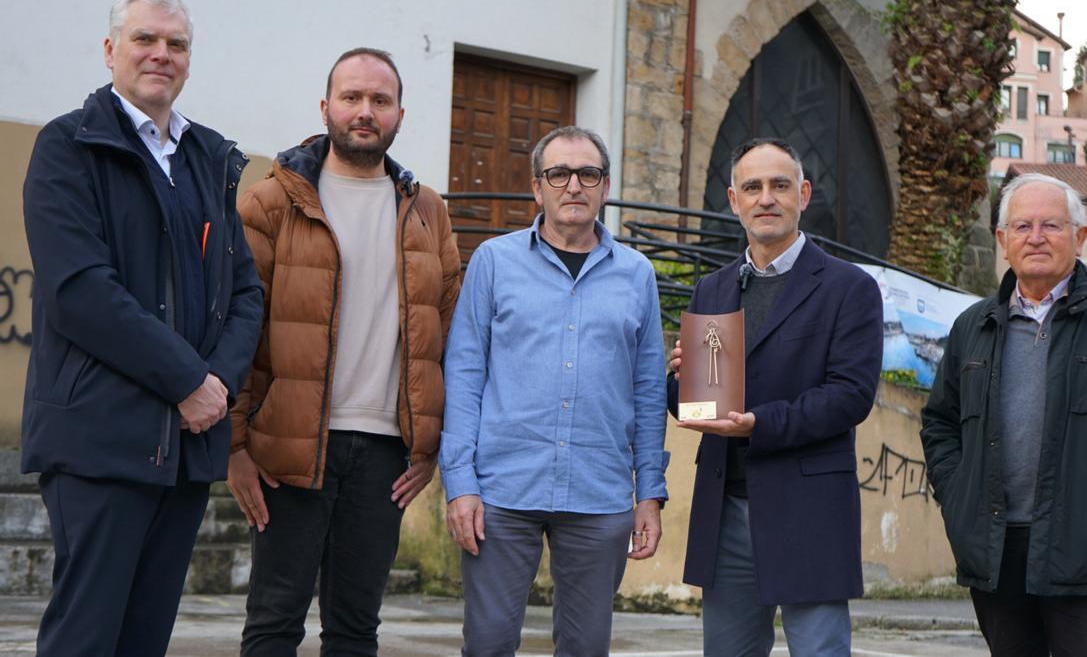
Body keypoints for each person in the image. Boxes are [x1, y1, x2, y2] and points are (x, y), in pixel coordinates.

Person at [20, 0, 263, 655]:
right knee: (86, 638)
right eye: (144, 40)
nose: (161, 54)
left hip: (184, 449)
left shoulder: (208, 159)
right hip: (99, 440)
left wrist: (216, 382)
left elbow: (244, 291)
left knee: (143, 640)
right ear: (110, 51)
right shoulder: (68, 147)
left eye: (176, 44)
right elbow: (80, 292)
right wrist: (187, 379)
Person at [225, 47, 461, 654]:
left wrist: (430, 445)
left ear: (399, 115)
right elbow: (233, 331)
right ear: (326, 106)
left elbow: (450, 332)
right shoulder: (270, 202)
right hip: (289, 445)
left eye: (379, 101)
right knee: (275, 622)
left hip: (386, 456)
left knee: (357, 629)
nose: (365, 112)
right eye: (352, 98)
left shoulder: (427, 211)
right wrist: (233, 447)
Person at [921, 172, 1087, 656]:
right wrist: (957, 491)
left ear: (1080, 237)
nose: (1036, 237)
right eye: (1022, 227)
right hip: (995, 550)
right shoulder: (973, 326)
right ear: (1003, 241)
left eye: (1052, 224)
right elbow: (940, 421)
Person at [439, 126, 668, 655]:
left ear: (604, 186)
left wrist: (649, 493)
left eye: (587, 174)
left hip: (600, 491)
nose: (574, 185)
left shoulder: (637, 274)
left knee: (587, 648)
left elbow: (649, 388)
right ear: (536, 187)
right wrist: (460, 483)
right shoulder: (495, 262)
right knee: (489, 643)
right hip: (502, 490)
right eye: (558, 173)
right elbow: (465, 371)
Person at [667, 137, 883, 656]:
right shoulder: (712, 290)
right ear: (733, 199)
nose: (766, 198)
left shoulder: (848, 287)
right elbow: (692, 403)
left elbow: (850, 396)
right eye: (752, 187)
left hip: (808, 509)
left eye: (779, 185)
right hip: (726, 511)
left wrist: (758, 424)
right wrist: (679, 382)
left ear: (803, 195)